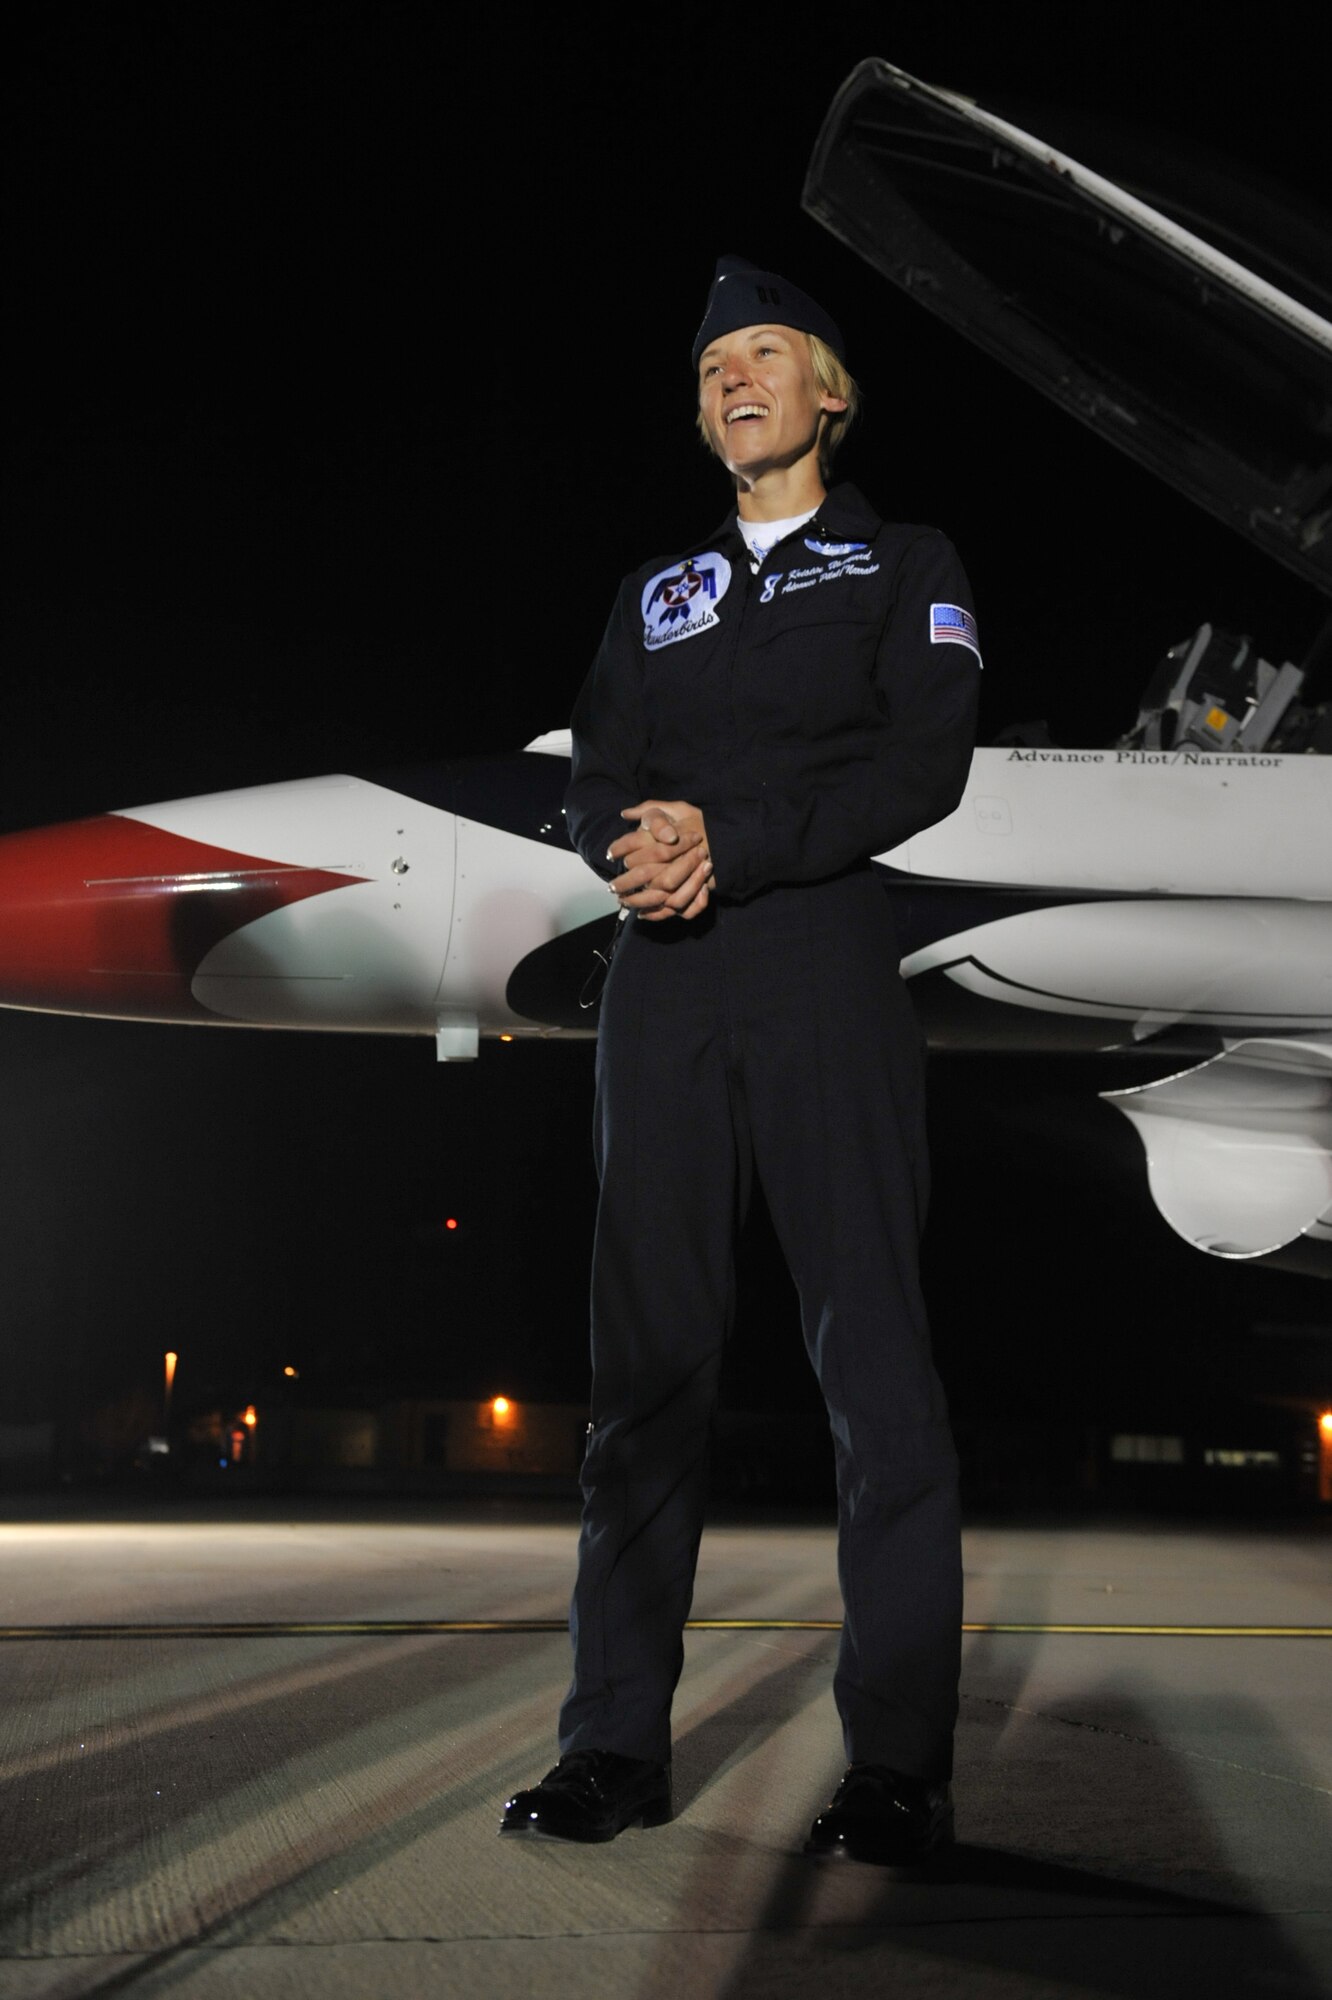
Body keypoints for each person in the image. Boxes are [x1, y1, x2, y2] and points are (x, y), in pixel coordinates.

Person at [501, 255, 981, 1865]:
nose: (732, 382)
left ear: (831, 393)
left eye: (764, 355)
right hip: (665, 989)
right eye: (711, 367)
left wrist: (741, 842)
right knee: (643, 1381)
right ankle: (611, 1746)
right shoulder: (656, 591)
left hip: (825, 974)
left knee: (876, 1375)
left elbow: (927, 767)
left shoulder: (906, 560)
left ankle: (899, 1763)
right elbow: (591, 767)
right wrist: (629, 848)